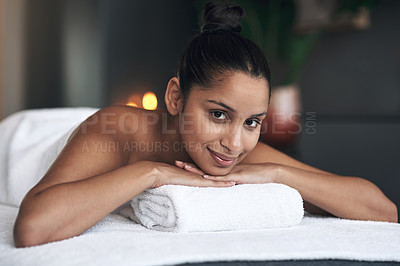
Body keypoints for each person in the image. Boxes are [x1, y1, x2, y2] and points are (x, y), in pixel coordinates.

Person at [13, 1, 397, 247]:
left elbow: (383, 211)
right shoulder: (119, 130)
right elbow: (34, 227)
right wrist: (151, 173)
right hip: (28, 138)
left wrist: (279, 171)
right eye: (218, 114)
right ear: (176, 97)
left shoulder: (243, 149)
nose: (233, 143)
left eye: (252, 122)